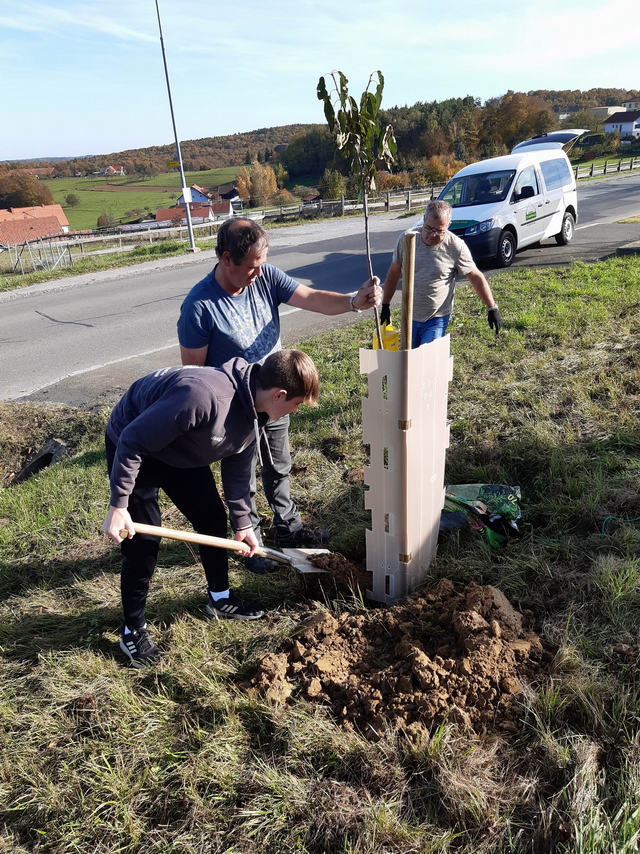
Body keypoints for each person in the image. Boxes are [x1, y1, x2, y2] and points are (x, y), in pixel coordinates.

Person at [177, 217, 381, 573]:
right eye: (252, 266)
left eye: (262, 263)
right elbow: (193, 375)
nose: (259, 272)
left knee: (279, 465)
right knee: (243, 477)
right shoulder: (199, 307)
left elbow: (312, 298)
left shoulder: (267, 276)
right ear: (227, 259)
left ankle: (289, 530)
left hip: (277, 395)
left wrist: (353, 302)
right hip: (235, 408)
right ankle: (251, 544)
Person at [102, 349, 320, 668]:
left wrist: (244, 524)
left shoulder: (255, 411)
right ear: (280, 394)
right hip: (137, 446)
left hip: (182, 447)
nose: (294, 410)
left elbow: (237, 468)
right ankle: (132, 630)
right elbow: (133, 440)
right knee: (143, 544)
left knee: (212, 519)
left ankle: (220, 599)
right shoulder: (202, 396)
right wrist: (119, 504)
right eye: (296, 404)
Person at [380, 200, 502, 347]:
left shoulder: (455, 246)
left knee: (427, 358)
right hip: (409, 315)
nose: (432, 235)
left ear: (448, 225)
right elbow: (394, 272)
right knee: (410, 361)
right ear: (424, 220)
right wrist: (385, 304)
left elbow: (475, 277)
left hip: (437, 317)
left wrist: (491, 308)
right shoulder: (407, 240)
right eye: (429, 228)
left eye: (439, 230)